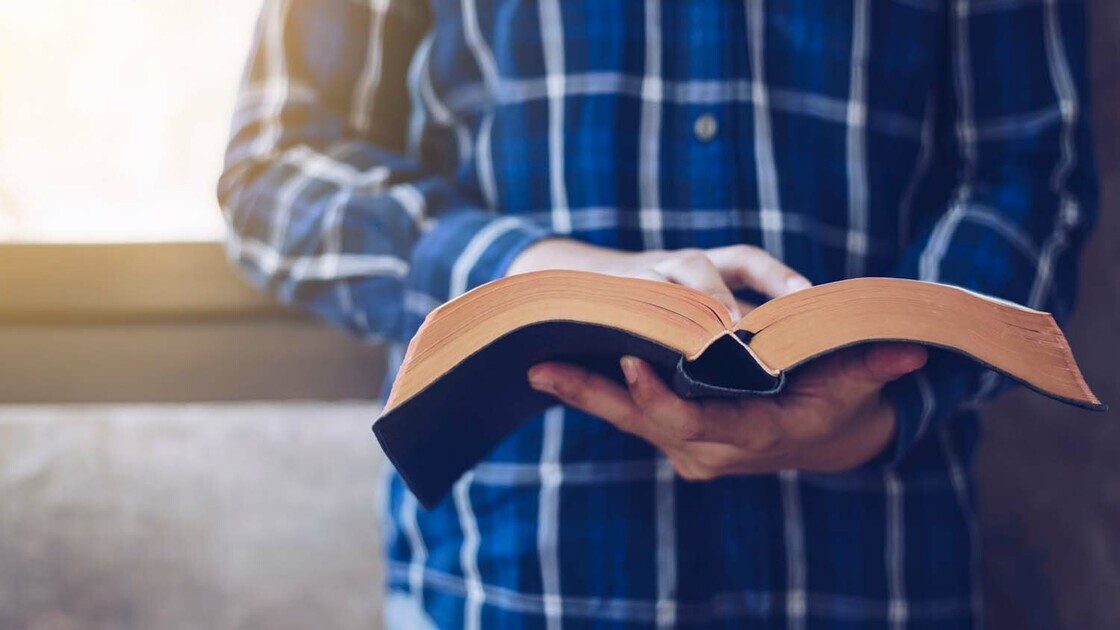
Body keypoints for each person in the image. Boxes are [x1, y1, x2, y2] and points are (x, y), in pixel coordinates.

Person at [218, 1, 1097, 627]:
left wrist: (884, 405)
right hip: (507, 582)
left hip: (874, 562)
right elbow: (279, 169)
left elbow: (1032, 173)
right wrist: (545, 277)